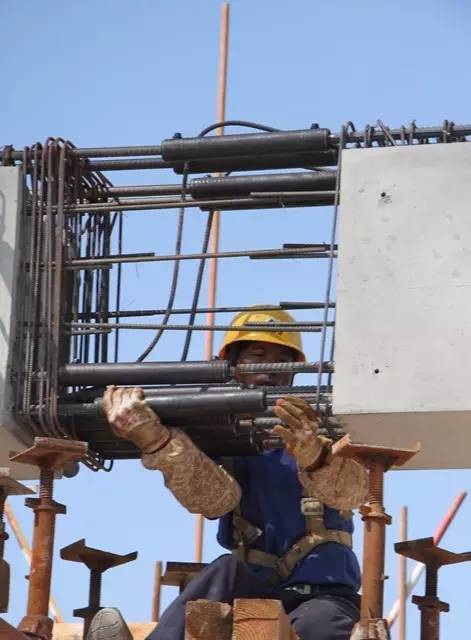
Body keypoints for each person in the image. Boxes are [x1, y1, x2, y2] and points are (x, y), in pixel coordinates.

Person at [87, 309, 368, 640]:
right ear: (232, 367)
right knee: (223, 571)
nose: (270, 368)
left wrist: (316, 456)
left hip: (323, 592)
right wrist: (157, 441)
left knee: (317, 625)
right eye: (257, 356)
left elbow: (351, 493)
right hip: (253, 586)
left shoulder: (319, 427)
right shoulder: (223, 437)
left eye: (282, 360)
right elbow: (215, 500)